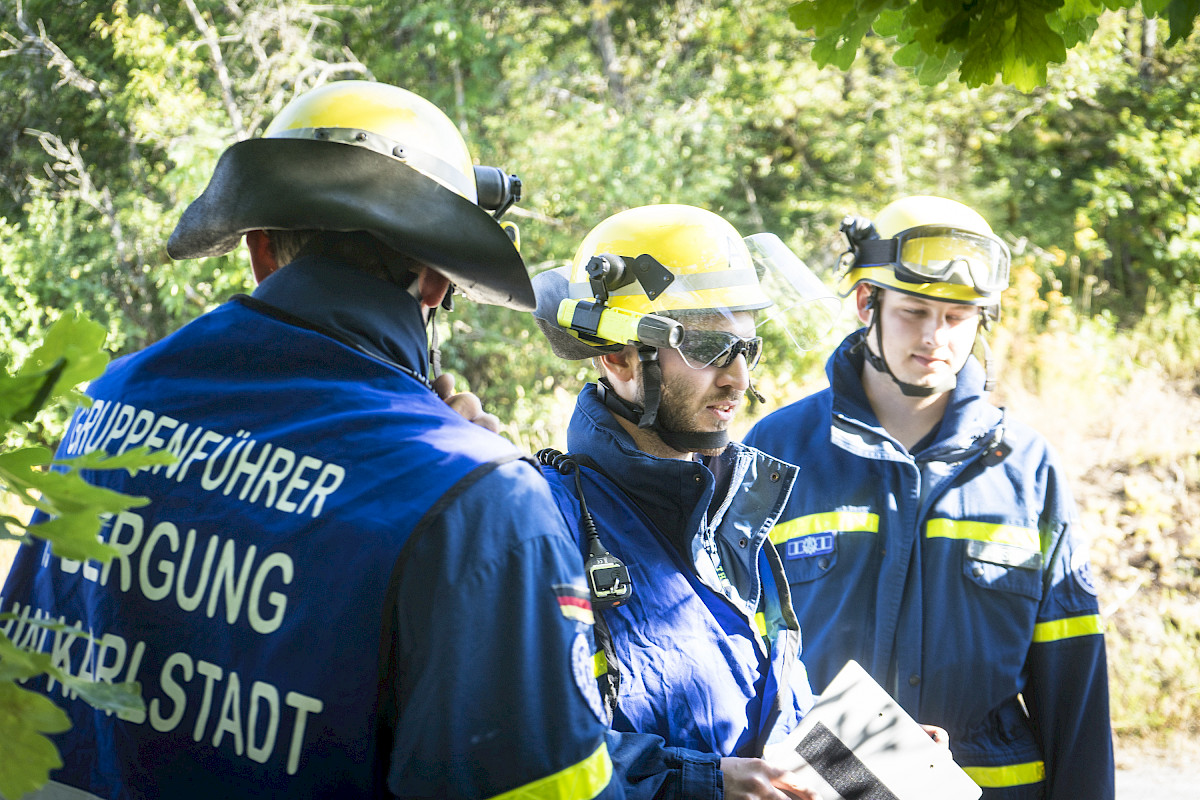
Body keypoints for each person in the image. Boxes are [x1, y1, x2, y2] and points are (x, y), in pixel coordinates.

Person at [1, 80, 623, 799]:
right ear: (433, 282)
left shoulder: (110, 402)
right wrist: (483, 488)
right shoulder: (484, 505)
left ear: (261, 250)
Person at [744, 195, 1115, 800]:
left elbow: (1073, 681)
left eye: (958, 316)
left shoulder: (1026, 466)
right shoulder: (777, 450)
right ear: (869, 303)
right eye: (914, 311)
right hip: (824, 787)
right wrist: (856, 766)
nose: (934, 337)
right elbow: (739, 654)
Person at [531, 203, 828, 800]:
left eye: (747, 347)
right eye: (711, 347)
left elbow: (777, 720)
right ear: (617, 357)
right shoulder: (548, 526)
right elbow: (528, 746)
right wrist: (704, 786)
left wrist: (872, 762)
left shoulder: (735, 514)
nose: (739, 378)